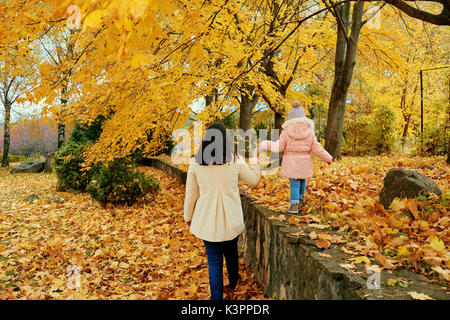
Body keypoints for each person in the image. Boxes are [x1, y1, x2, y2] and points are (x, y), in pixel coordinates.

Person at [183, 123, 260, 300]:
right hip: (231, 220)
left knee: (214, 261)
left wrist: (188, 217)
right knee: (231, 252)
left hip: (207, 221)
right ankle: (233, 282)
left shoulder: (195, 162)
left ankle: (217, 299)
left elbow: (191, 195)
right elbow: (253, 181)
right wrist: (256, 162)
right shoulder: (234, 160)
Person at [259, 101, 332, 213]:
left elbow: (278, 147)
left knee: (294, 183)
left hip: (291, 162)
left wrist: (264, 144)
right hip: (305, 161)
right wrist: (328, 158)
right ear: (303, 118)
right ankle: (301, 199)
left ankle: (294, 204)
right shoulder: (310, 132)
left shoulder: (286, 132)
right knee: (302, 179)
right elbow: (317, 148)